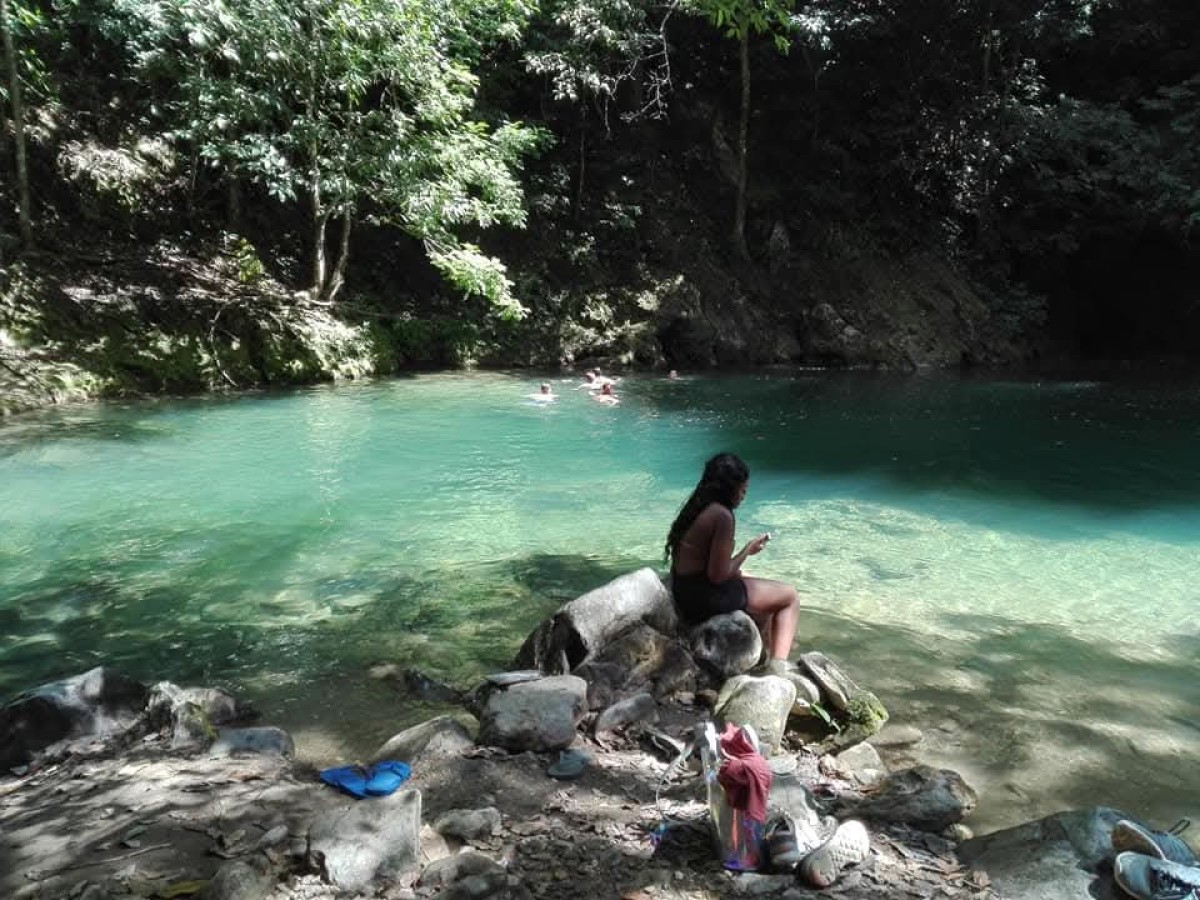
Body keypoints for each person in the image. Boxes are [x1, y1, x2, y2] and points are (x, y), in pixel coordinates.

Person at [665, 452, 799, 672]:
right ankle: (779, 669)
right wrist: (746, 551)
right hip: (702, 599)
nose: (744, 495)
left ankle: (766, 652)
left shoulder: (699, 507)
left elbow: (709, 565)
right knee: (789, 596)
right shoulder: (722, 516)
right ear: (729, 488)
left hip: (685, 590)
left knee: (748, 579)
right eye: (743, 489)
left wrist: (739, 563)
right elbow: (717, 576)